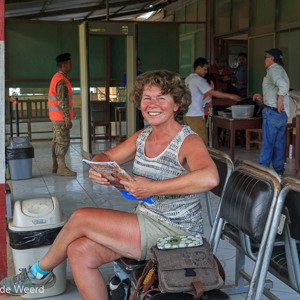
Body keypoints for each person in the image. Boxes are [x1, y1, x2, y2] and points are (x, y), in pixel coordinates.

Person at [1, 70, 219, 299]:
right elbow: (103, 156)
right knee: (79, 251)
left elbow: (209, 177)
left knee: (81, 217)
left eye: (161, 98)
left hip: (175, 231)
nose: (152, 104)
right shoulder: (142, 137)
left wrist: (152, 188)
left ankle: (38, 274)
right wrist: (100, 169)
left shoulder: (188, 140)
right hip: (147, 218)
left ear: (176, 104)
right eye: (147, 98)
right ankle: (42, 274)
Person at [184, 57, 241, 146]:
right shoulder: (198, 79)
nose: (206, 71)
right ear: (199, 67)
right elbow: (212, 92)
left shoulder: (188, 79)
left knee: (190, 141)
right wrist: (230, 96)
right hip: (195, 115)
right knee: (201, 142)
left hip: (187, 114)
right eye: (205, 69)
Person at [253, 48, 290, 178]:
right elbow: (277, 88)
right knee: (279, 143)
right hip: (281, 113)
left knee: (268, 143)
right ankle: (279, 171)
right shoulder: (280, 70)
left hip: (273, 113)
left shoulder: (273, 69)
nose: (264, 59)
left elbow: (283, 85)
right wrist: (263, 98)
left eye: (266, 57)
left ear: (272, 59)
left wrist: (280, 99)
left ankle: (262, 171)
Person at [48, 53, 76, 176]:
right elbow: (63, 103)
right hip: (60, 118)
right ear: (64, 65)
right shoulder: (62, 81)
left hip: (55, 117)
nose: (71, 65)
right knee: (63, 143)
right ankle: (61, 168)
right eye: (69, 63)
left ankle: (56, 166)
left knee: (56, 141)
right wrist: (67, 119)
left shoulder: (56, 77)